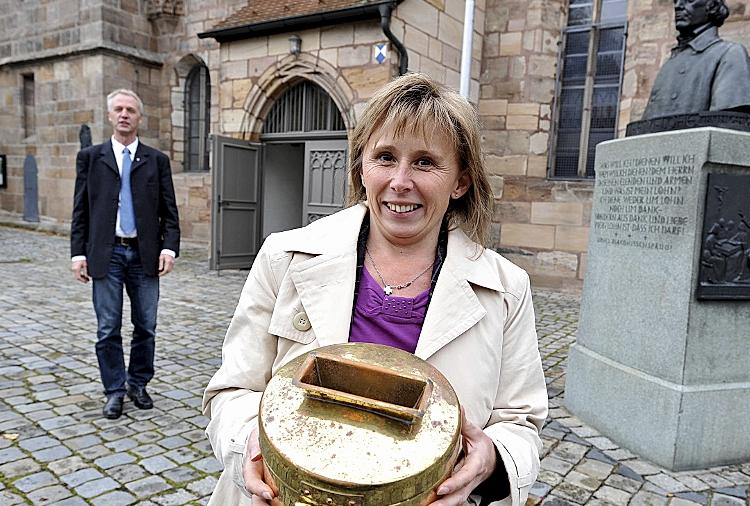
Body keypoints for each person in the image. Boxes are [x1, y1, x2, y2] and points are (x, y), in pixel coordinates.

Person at [202, 73, 547, 506]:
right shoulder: (285, 258)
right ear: (362, 168)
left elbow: (520, 423)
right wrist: (254, 444)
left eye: (425, 162)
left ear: (460, 181)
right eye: (385, 157)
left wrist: (491, 460)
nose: (401, 181)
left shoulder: (505, 289)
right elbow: (231, 392)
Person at [70, 89, 180, 419]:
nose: (124, 114)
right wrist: (78, 254)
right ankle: (114, 390)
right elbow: (81, 210)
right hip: (106, 254)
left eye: (130, 109)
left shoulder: (156, 160)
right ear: (109, 115)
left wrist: (169, 248)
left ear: (139, 117)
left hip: (144, 255)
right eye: (118, 109)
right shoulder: (91, 158)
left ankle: (138, 384)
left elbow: (169, 212)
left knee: (146, 326)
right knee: (108, 328)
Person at [642, 0, 750, 120]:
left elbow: (725, 120)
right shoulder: (670, 63)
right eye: (676, 1)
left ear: (712, 6)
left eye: (689, 0)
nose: (678, 6)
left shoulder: (730, 53)